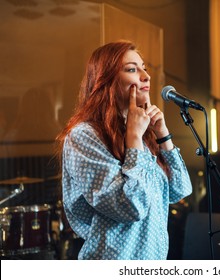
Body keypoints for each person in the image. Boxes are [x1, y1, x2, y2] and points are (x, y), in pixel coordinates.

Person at [55, 40, 192, 260]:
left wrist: (163, 135)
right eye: (131, 69)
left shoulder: (142, 132)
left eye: (143, 67)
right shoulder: (84, 136)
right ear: (105, 81)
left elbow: (179, 190)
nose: (146, 76)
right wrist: (135, 138)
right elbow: (130, 207)